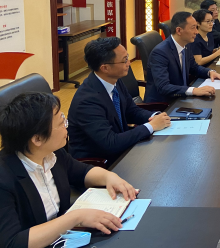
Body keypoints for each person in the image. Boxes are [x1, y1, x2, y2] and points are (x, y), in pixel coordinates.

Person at [0, 92, 138, 248]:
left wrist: (109, 177)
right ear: (37, 139)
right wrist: (75, 218)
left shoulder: (52, 154)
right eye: (61, 123)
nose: (67, 126)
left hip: (64, 240)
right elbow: (12, 242)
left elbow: (82, 172)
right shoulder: (4, 178)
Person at [67, 37, 171, 165]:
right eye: (124, 60)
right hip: (99, 164)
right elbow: (110, 143)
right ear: (105, 68)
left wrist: (155, 116)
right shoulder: (87, 101)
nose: (129, 63)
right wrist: (151, 126)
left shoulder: (114, 80)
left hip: (122, 151)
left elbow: (131, 110)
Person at [144, 11, 220, 103]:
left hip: (182, 97)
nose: (196, 32)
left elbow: (194, 67)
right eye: (193, 28)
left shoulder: (186, 45)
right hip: (163, 104)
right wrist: (193, 90)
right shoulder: (160, 53)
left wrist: (209, 72)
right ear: (179, 30)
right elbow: (163, 87)